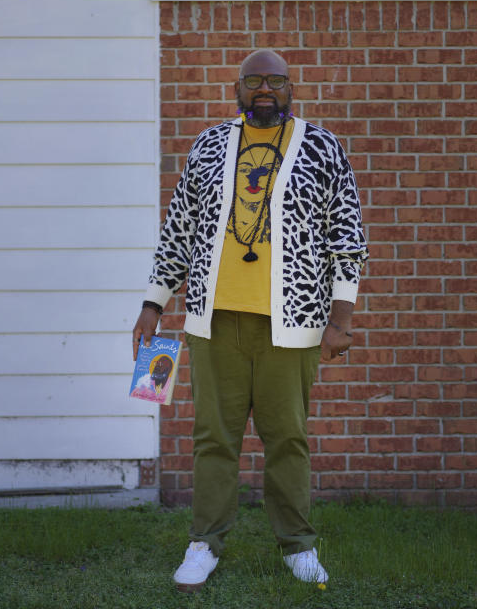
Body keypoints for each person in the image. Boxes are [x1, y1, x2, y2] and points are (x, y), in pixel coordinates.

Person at [132, 49, 367, 592]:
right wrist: (153, 303)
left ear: (291, 87)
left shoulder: (322, 147)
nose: (265, 90)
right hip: (213, 322)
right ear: (238, 89)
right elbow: (179, 228)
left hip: (295, 322)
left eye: (276, 81)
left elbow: (347, 238)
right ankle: (203, 543)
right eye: (254, 81)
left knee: (287, 437)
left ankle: (298, 547)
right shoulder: (210, 144)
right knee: (214, 437)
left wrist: (341, 318)